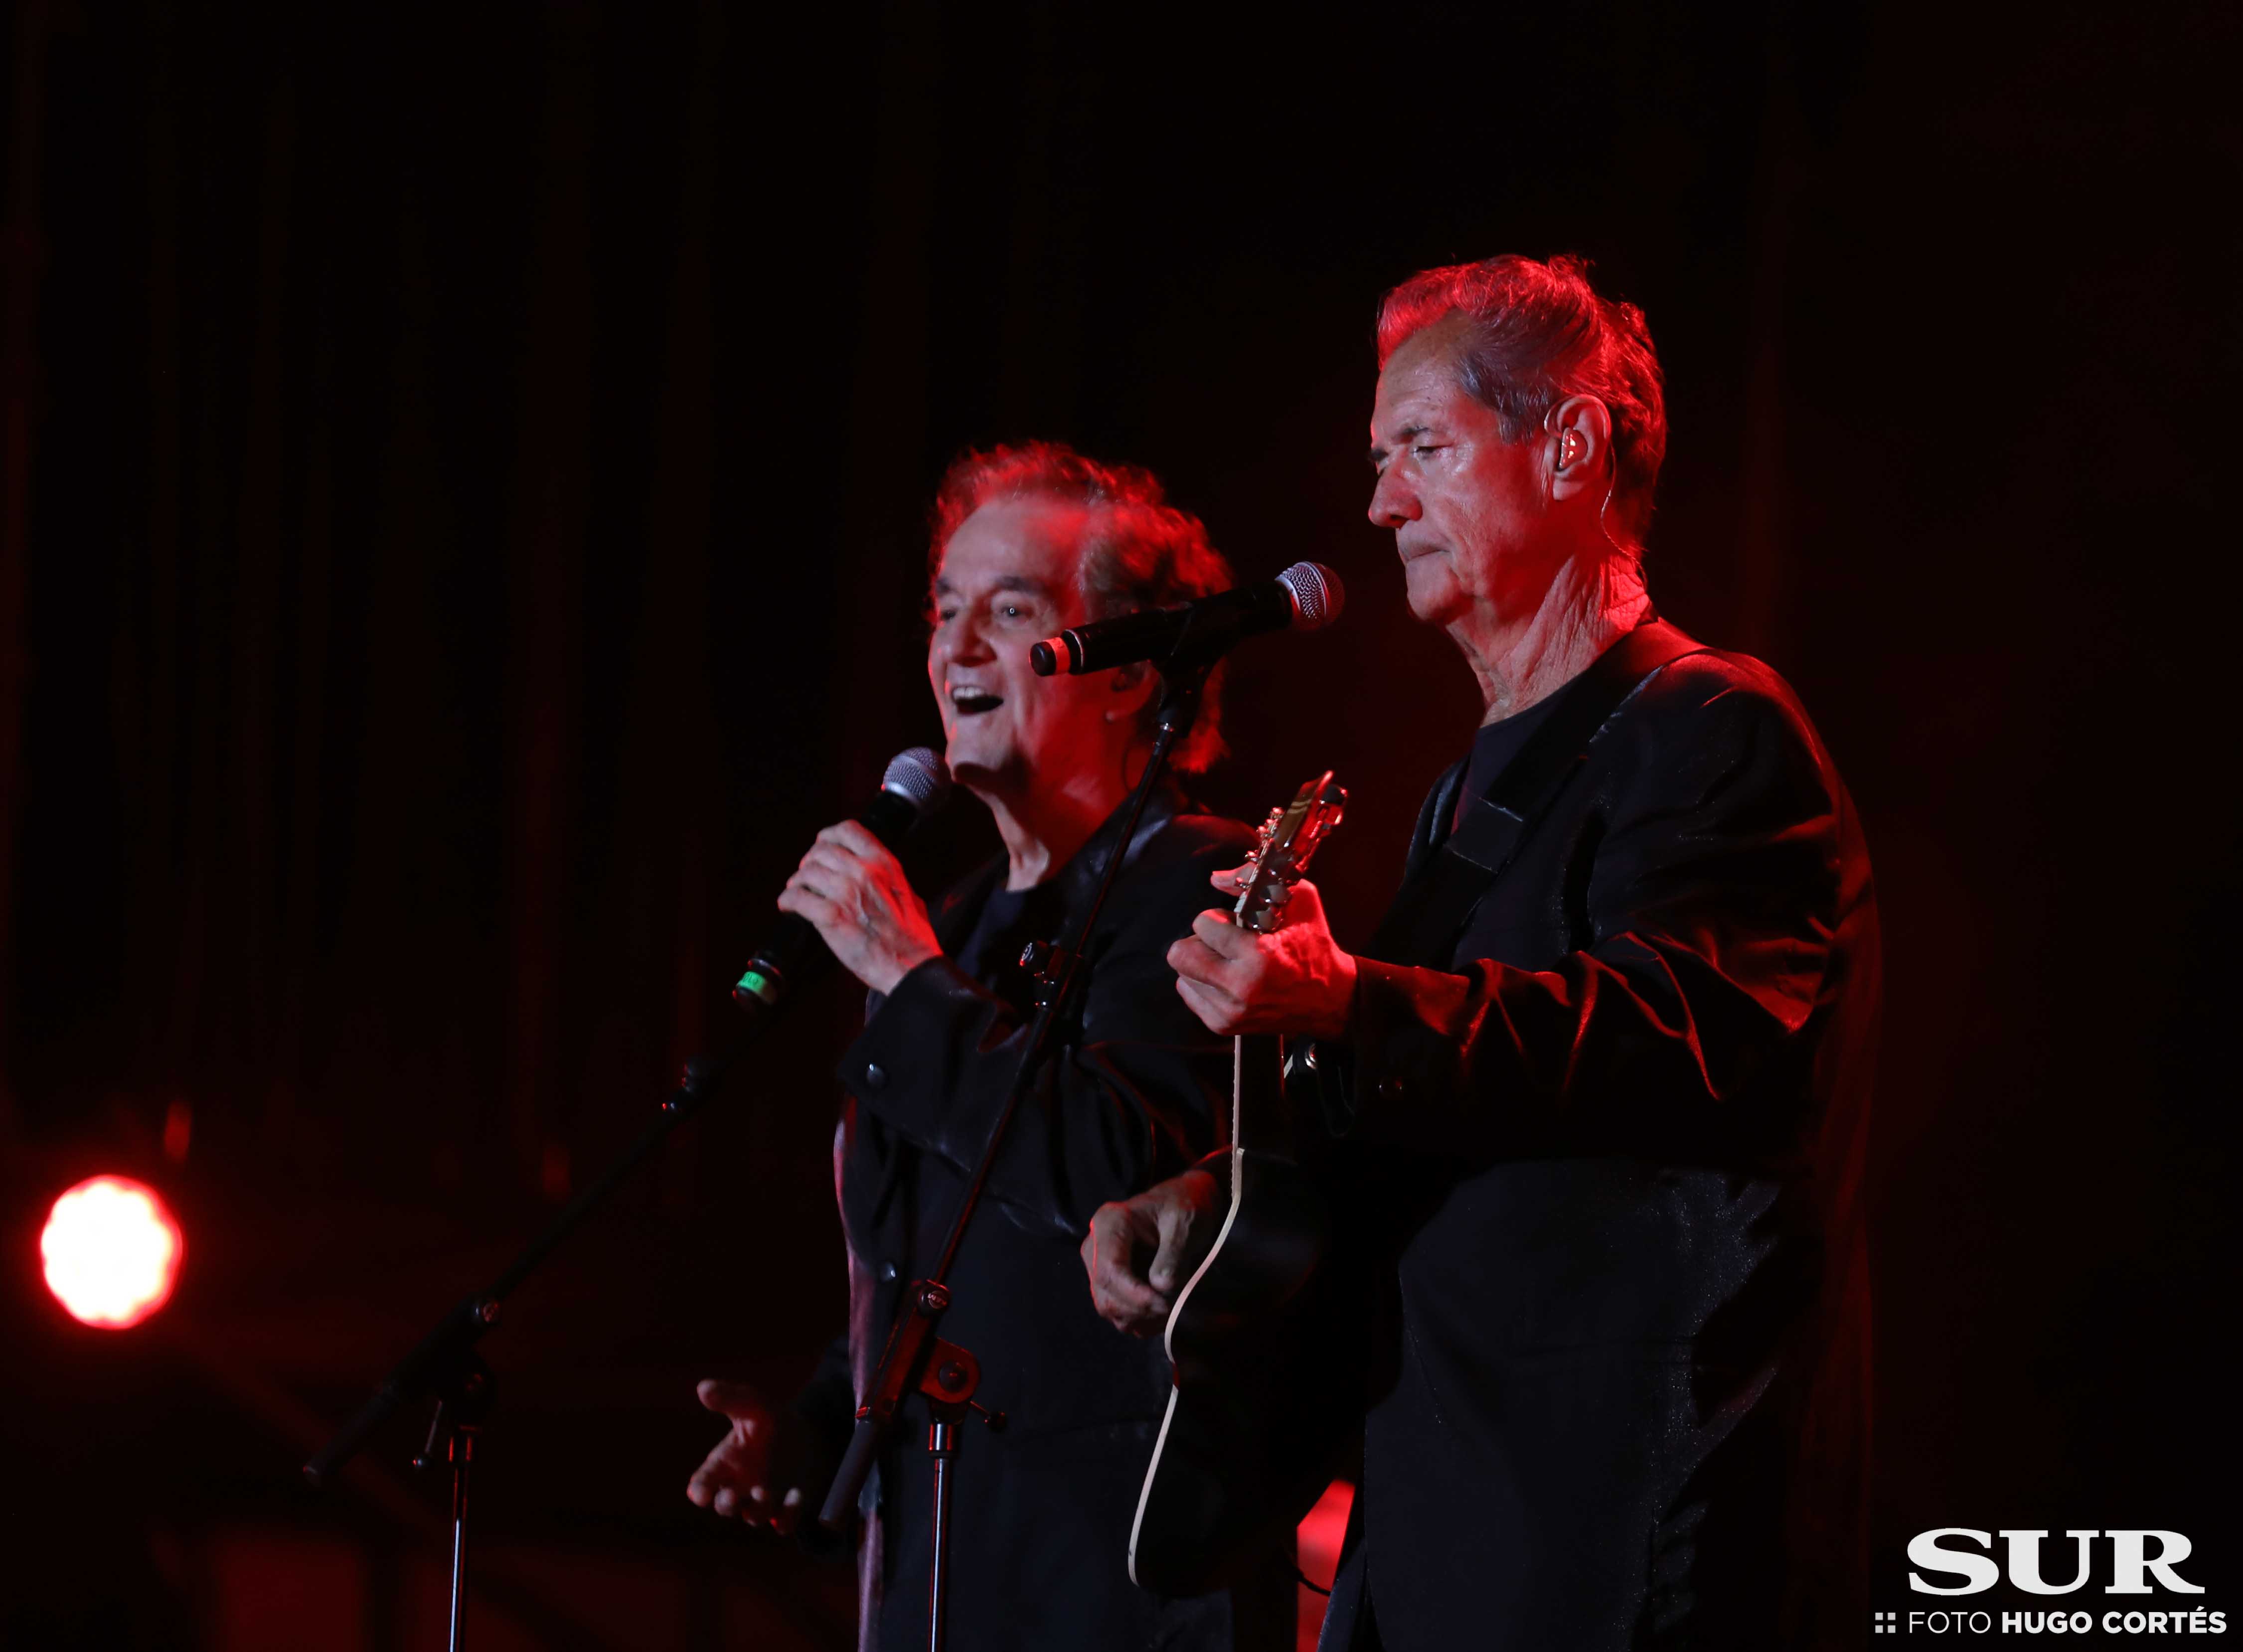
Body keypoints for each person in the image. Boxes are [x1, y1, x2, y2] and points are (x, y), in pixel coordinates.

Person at [1083, 256, 1878, 1651]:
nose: (1382, 503)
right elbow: (1441, 1088)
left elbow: (1687, 1034)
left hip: (1626, 1525)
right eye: (1379, 461)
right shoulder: (1467, 794)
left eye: (1423, 449)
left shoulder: (1710, 728)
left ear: (1569, 447)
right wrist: (1218, 1192)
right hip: (1437, 1510)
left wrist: (1347, 998)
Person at [687, 443, 1294, 1652]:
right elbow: (947, 1260)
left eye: (1010, 612)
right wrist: (816, 1424)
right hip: (935, 1572)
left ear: (1128, 677)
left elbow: (1108, 1163)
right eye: (945, 611)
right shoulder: (959, 920)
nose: (956, 649)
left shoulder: (1206, 888)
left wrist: (909, 983)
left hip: (1112, 1583)